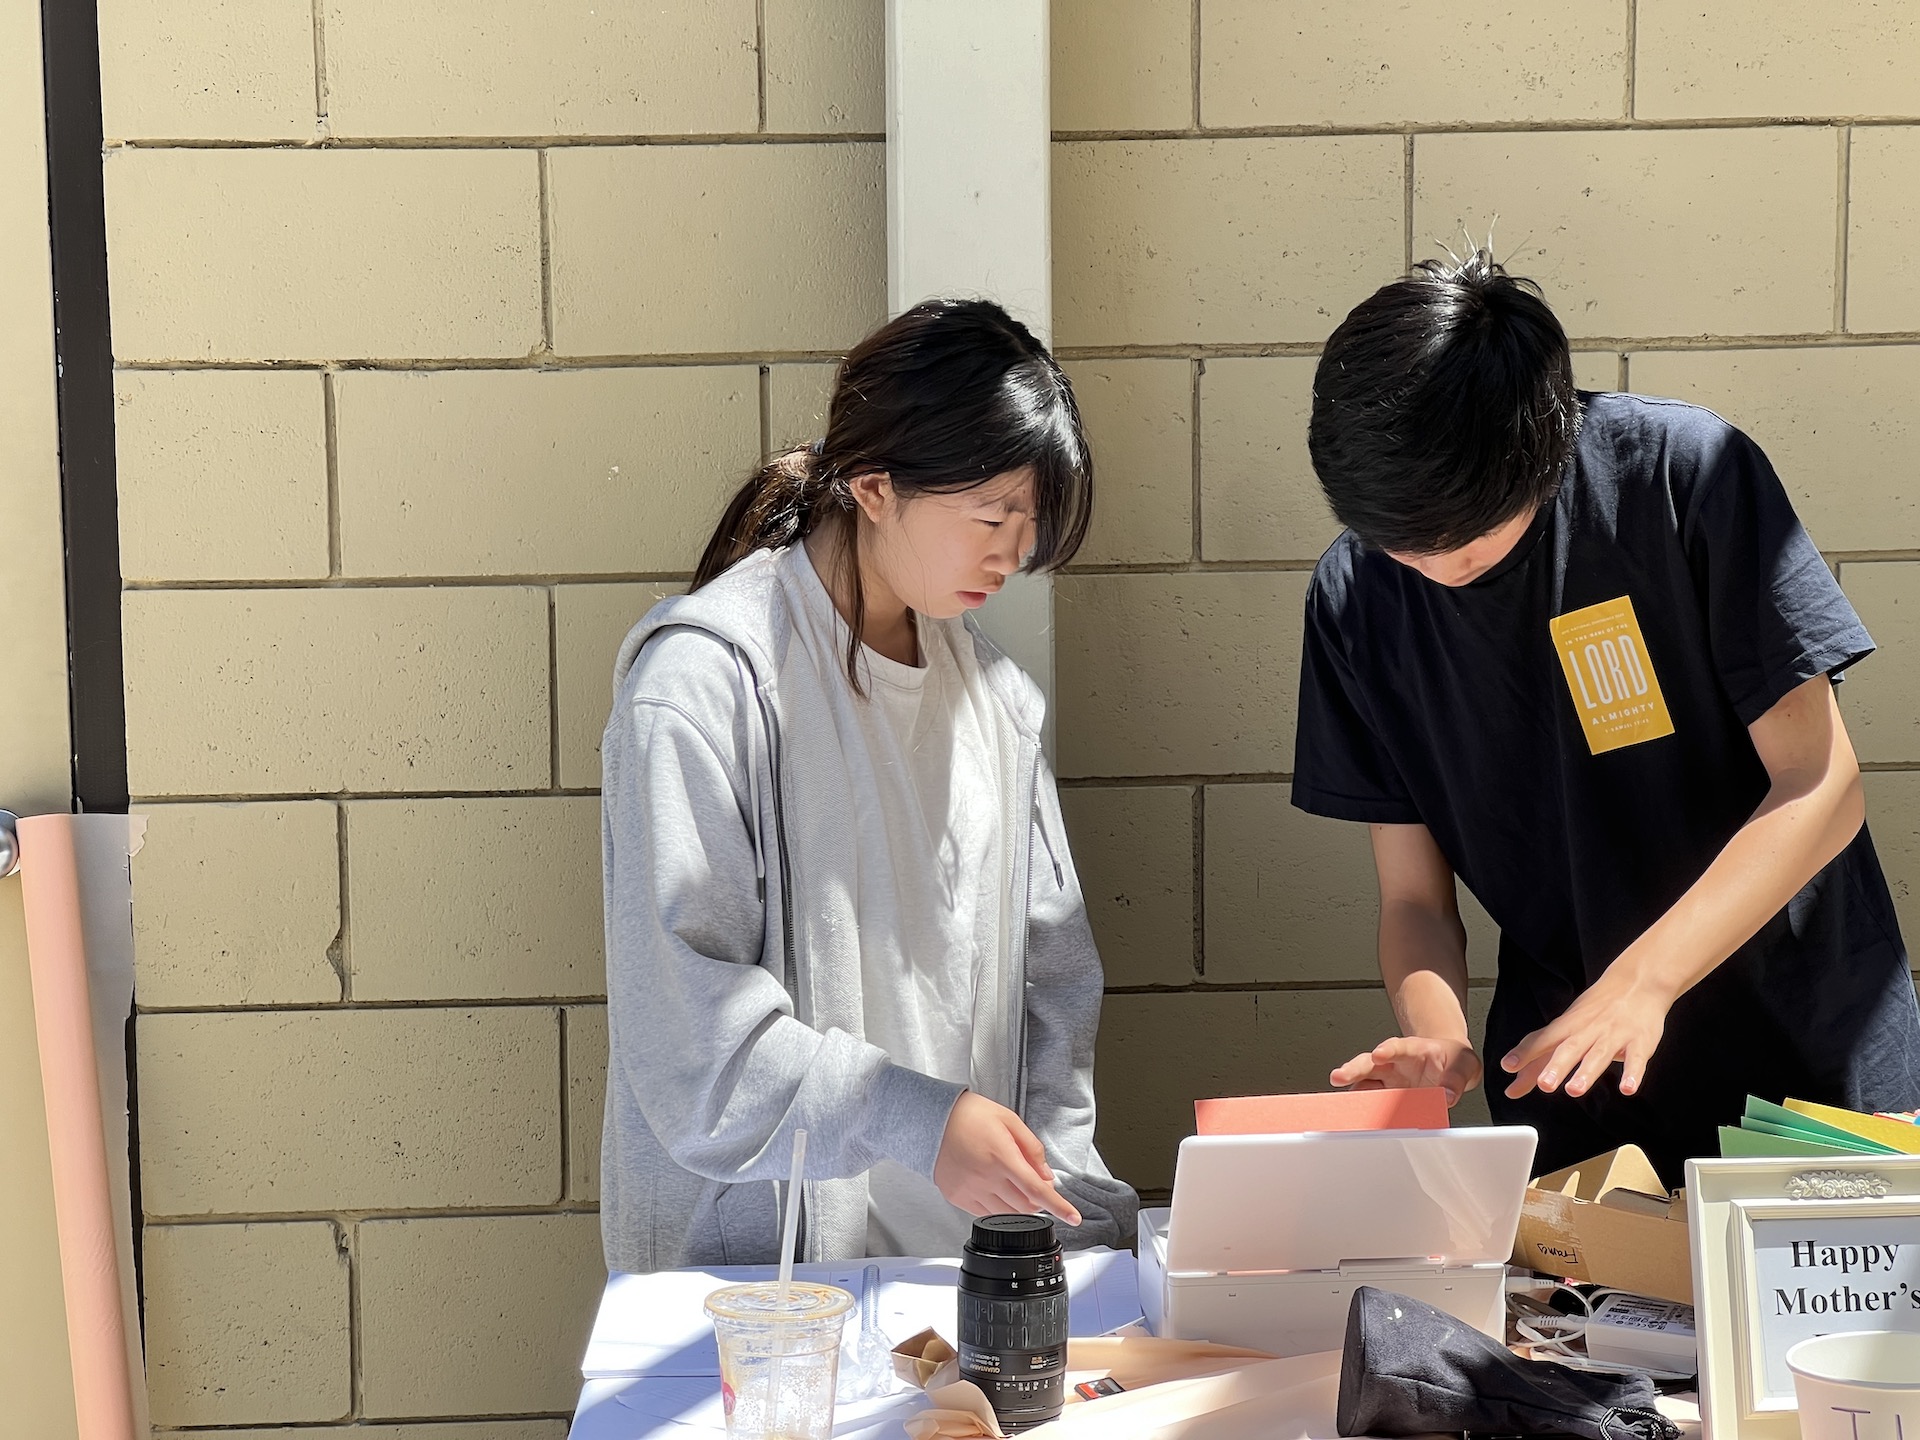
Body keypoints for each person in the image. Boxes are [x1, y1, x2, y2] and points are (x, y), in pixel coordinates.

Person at [1293, 250, 1920, 1184]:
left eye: (1462, 535)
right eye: (1397, 541)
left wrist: (1643, 981)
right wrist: (1438, 1036)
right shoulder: (1354, 596)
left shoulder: (1681, 476)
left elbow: (1821, 784)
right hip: (1576, 1088)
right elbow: (1414, 900)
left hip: (1806, 1062)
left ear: (1539, 451)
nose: (1430, 563)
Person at [599, 297, 1138, 1272]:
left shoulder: (999, 708)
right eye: (993, 516)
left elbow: (1054, 996)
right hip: (763, 1303)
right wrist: (919, 1120)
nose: (1015, 553)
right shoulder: (705, 687)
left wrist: (1071, 1228)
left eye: (1030, 522)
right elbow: (693, 1039)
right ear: (876, 487)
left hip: (967, 1292)